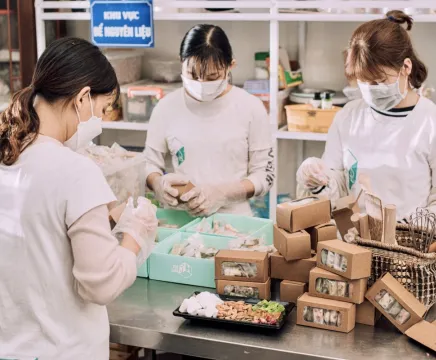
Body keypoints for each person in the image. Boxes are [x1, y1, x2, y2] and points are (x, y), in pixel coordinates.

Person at [0, 38, 158, 359]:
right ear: (83, 97)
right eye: (101, 110)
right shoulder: (75, 170)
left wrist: (107, 219)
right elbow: (100, 285)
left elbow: (36, 236)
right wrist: (135, 236)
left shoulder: (8, 153)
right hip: (64, 349)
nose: (98, 123)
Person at [297, 10, 436, 221]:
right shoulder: (348, 117)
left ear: (406, 67)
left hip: (411, 245)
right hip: (354, 241)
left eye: (379, 81)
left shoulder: (429, 120)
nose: (371, 89)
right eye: (364, 82)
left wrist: (408, 233)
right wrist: (316, 179)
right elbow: (338, 188)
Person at [145, 24, 275, 216]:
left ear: (231, 66)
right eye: (193, 75)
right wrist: (157, 183)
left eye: (212, 76)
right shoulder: (166, 107)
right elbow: (149, 163)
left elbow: (265, 175)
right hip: (179, 219)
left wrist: (223, 194)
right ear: (181, 62)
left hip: (234, 220)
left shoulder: (251, 108)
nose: (201, 83)